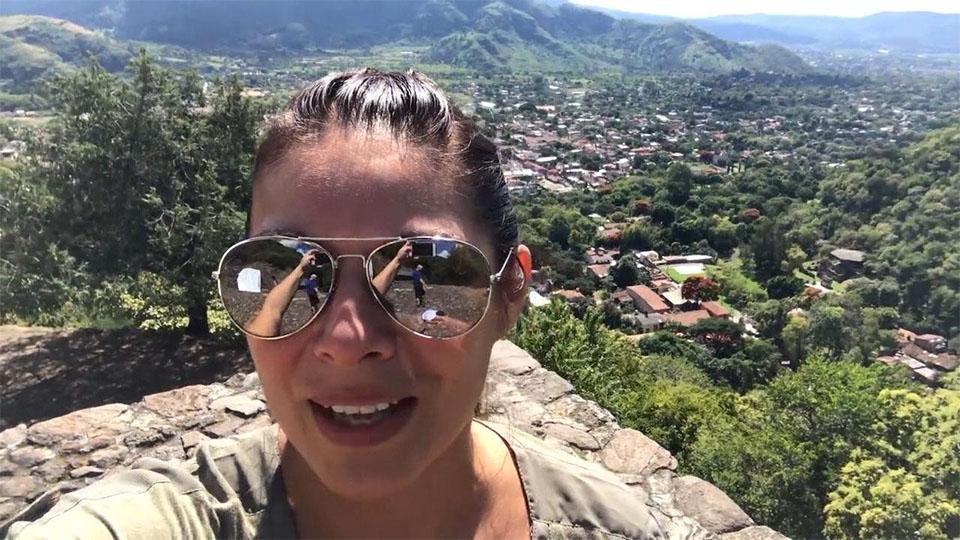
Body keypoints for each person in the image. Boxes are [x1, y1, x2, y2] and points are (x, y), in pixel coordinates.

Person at [4, 69, 665, 539]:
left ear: (510, 292)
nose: (347, 339)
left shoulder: (613, 527)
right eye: (287, 269)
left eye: (425, 276)